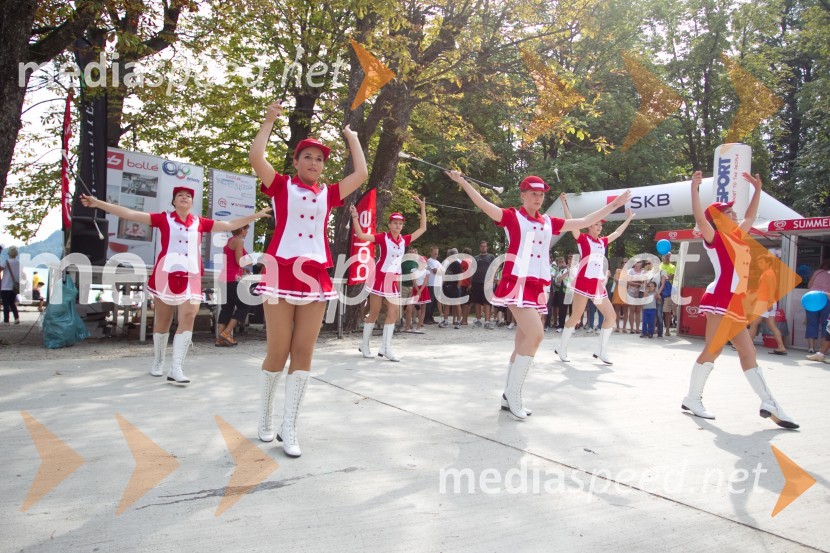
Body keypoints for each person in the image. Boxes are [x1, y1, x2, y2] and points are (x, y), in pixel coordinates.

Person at [447, 169, 631, 419]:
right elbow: (485, 205)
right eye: (533, 194)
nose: (538, 198)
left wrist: (615, 206)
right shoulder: (512, 217)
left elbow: (584, 221)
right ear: (523, 195)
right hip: (516, 284)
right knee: (536, 335)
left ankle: (507, 395)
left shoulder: (548, 221)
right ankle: (514, 395)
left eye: (541, 194)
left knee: (523, 342)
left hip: (537, 288)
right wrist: (463, 182)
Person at [250, 101, 367, 457]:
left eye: (319, 159)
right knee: (278, 350)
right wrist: (269, 119)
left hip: (315, 274)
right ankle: (266, 417)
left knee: (304, 351)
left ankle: (290, 426)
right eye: (308, 157)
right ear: (297, 161)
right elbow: (257, 157)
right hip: (282, 270)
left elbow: (360, 174)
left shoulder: (329, 193)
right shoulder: (281, 185)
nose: (314, 163)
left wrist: (353, 138)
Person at [81, 188, 271, 383]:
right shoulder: (164, 219)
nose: (184, 197)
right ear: (173, 201)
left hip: (191, 275)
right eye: (180, 195)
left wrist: (255, 215)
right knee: (163, 320)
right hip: (166, 275)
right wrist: (98, 203)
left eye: (188, 196)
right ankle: (158, 360)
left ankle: (177, 367)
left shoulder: (200, 222)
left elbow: (229, 224)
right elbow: (131, 214)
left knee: (188, 316)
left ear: (192, 203)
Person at [681, 170, 798, 429]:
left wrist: (758, 190)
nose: (734, 214)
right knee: (713, 349)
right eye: (729, 212)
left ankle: (769, 402)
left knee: (748, 351)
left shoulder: (738, 236)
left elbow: (751, 216)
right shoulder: (715, 237)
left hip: (734, 301)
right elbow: (700, 218)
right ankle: (692, 398)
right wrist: (694, 188)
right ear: (719, 219)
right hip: (720, 297)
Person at [557, 194, 634, 364]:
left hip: (597, 284)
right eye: (597, 224)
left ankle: (601, 350)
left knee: (611, 316)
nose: (600, 227)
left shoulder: (602, 242)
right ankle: (562, 347)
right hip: (583, 282)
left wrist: (628, 219)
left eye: (601, 225)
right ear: (589, 226)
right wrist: (564, 203)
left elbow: (617, 233)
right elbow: (570, 223)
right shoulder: (583, 239)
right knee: (576, 316)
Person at [351, 196, 427, 361]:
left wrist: (422, 207)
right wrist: (356, 217)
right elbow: (361, 235)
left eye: (400, 223)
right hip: (379, 277)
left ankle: (385, 347)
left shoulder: (404, 240)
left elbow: (422, 229)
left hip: (393, 279)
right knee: (375, 312)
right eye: (395, 223)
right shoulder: (383, 237)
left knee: (394, 312)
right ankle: (364, 345)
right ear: (390, 224)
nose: (397, 226)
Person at [216, 225, 254, 347]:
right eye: (246, 229)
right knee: (245, 305)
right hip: (233, 278)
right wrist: (249, 262)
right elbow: (239, 261)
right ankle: (226, 333)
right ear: (241, 230)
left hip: (224, 278)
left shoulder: (229, 241)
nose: (247, 231)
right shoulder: (238, 241)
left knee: (227, 308)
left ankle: (219, 339)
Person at [747, 254, 787, 355]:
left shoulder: (768, 274)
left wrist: (768, 302)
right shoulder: (769, 273)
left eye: (761, 262)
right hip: (768, 302)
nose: (759, 264)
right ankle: (781, 347)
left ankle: (747, 346)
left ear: (768, 263)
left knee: (753, 324)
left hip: (764, 302)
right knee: (772, 326)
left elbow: (772, 289)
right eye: (758, 262)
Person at [804, 259, 830, 353]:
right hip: (825, 298)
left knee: (811, 323)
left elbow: (809, 285)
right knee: (825, 324)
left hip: (812, 298)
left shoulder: (817, 272)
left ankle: (811, 348)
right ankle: (822, 349)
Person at [471, 241, 496, 328]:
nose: (483, 248)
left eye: (485, 246)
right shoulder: (475, 258)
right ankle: (478, 320)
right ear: (479, 247)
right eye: (482, 246)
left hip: (487, 283)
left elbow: (495, 268)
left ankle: (487, 321)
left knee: (487, 302)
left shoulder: (491, 257)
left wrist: (492, 279)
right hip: (476, 282)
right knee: (477, 302)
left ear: (487, 247)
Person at [441, 247, 463, 328]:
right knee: (446, 304)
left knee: (457, 304)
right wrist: (442, 285)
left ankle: (458, 321)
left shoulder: (457, 264)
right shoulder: (446, 264)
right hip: (447, 286)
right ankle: (446, 321)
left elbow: (460, 276)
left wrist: (458, 286)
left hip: (454, 286)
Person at [1, 246, 21, 325]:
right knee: (12, 303)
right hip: (14, 287)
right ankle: (16, 318)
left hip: (5, 286)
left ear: (9, 253)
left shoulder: (6, 262)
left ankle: (6, 320)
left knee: (5, 304)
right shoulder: (19, 263)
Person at [611, 257, 629, 333]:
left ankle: (624, 327)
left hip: (626, 292)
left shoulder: (629, 272)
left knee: (625, 311)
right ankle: (617, 327)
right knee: (617, 310)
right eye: (623, 263)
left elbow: (629, 282)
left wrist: (622, 281)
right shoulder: (618, 270)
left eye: (626, 263)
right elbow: (616, 280)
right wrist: (624, 281)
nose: (624, 264)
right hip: (617, 292)